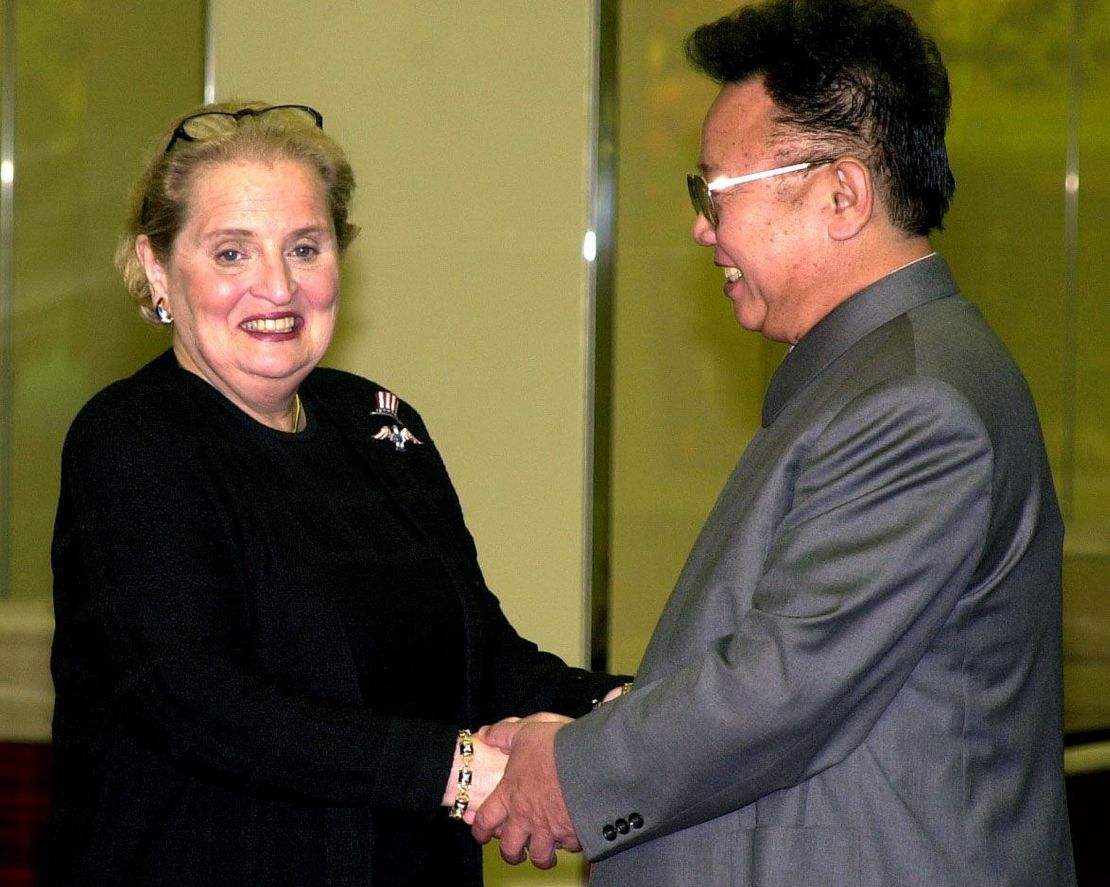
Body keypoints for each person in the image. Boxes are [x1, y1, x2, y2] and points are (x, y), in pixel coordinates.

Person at [471, 1, 1077, 884]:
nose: (701, 228)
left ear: (841, 194)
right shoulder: (882, 373)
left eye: (714, 193)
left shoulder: (913, 405)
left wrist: (570, 775)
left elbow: (781, 687)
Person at [46, 100, 626, 886]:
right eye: (230, 253)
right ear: (157, 267)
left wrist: (634, 716)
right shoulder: (132, 440)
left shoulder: (382, 426)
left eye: (304, 247)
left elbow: (481, 658)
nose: (276, 287)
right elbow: (197, 699)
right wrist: (462, 770)